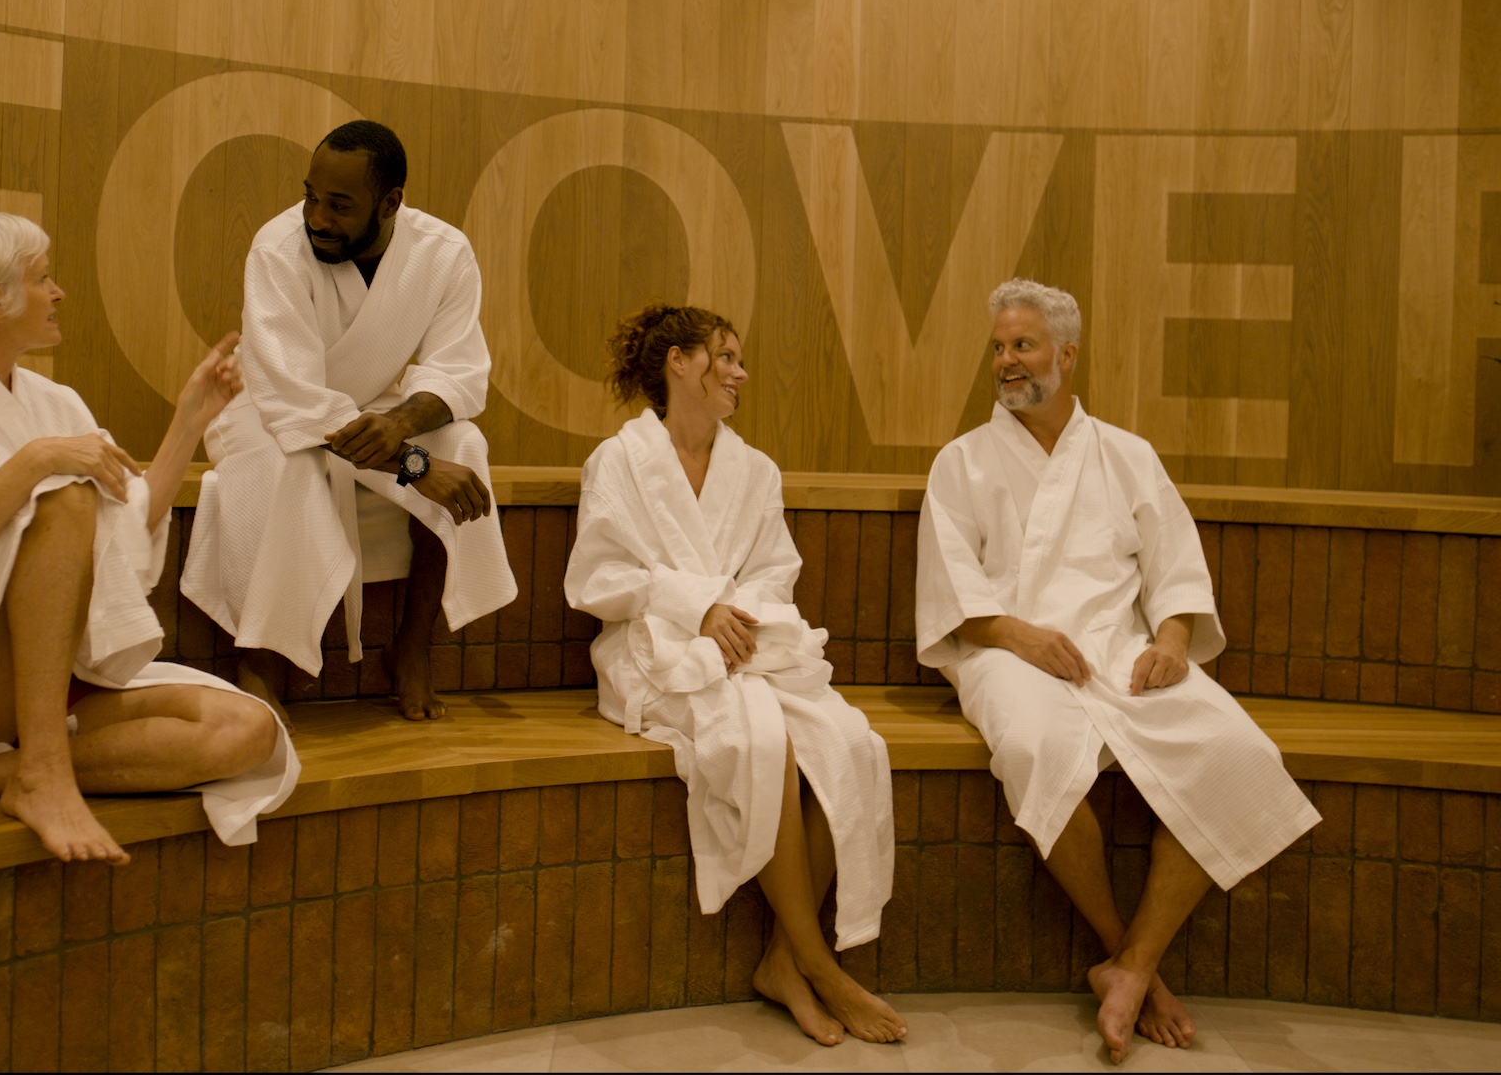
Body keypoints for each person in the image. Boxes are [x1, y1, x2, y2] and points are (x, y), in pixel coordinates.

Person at [917, 278, 1321, 1063]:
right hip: (1007, 651)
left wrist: (1171, 641)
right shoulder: (961, 463)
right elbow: (953, 594)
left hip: (1117, 648)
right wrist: (1019, 636)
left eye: (1022, 345)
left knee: (1234, 751)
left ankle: (1131, 967)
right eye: (998, 346)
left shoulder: (1127, 454)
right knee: (1034, 749)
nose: (1005, 361)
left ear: (1066, 354)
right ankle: (1126, 953)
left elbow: (1174, 571)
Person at [0, 210, 296, 865]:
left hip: (64, 669)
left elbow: (125, 535)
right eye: (43, 278)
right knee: (65, 496)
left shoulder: (56, 403)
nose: (58, 292)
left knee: (247, 732)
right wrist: (37, 462)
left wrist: (189, 420)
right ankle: (42, 771)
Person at [565, 304, 904, 1046]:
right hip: (652, 651)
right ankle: (818, 963)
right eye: (725, 357)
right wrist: (698, 607)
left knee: (850, 744)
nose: (739, 373)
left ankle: (785, 961)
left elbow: (776, 571)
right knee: (763, 744)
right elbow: (595, 577)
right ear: (677, 363)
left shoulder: (754, 469)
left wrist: (737, 618)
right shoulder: (617, 462)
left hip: (745, 649)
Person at [181, 120, 517, 724]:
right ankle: (258, 661)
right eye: (310, 195)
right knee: (289, 465)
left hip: (372, 408)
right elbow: (295, 399)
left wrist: (403, 426)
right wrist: (414, 464)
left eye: (339, 205)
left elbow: (459, 371)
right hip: (266, 410)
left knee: (463, 441)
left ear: (391, 203)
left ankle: (411, 650)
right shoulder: (276, 248)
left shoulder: (443, 253)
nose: (316, 217)